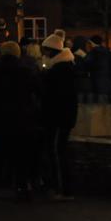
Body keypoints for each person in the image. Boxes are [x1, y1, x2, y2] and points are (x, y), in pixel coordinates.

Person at [0, 41, 40, 200]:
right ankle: (21, 188)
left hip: (0, 118)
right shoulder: (25, 71)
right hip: (21, 118)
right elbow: (38, 90)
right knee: (21, 155)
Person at [40, 31, 77, 200]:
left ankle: (58, 188)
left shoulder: (57, 71)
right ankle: (65, 188)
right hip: (65, 117)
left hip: (55, 117)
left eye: (46, 50)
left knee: (55, 151)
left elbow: (50, 96)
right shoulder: (68, 67)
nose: (44, 54)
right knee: (60, 151)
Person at [85, 35, 111, 104]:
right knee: (105, 99)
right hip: (106, 78)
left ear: (92, 42)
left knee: (99, 102)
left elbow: (89, 63)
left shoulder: (94, 51)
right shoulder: (107, 51)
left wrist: (84, 56)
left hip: (97, 78)